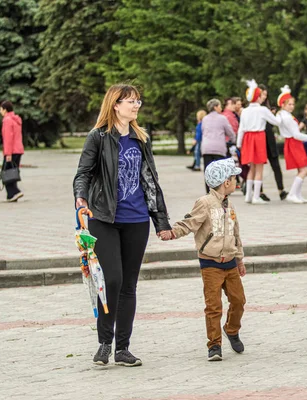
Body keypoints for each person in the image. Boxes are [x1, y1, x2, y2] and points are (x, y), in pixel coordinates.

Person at [73, 84, 172, 367]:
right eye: (130, 101)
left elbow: (150, 181)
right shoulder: (98, 137)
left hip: (137, 220)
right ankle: (105, 342)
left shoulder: (141, 138)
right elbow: (83, 173)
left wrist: (160, 221)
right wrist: (81, 199)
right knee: (112, 280)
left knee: (129, 285)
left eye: (138, 100)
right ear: (115, 104)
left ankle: (123, 348)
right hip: (103, 218)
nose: (136, 105)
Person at [160, 159, 246, 362]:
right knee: (213, 306)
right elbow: (189, 223)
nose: (236, 181)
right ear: (226, 182)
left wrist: (240, 259)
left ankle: (231, 329)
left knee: (239, 300)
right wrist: (172, 233)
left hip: (231, 262)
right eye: (234, 178)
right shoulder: (205, 203)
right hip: (211, 264)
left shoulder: (230, 204)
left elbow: (236, 233)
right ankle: (214, 345)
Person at [236, 79, 281, 205]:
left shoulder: (244, 111)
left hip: (247, 139)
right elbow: (276, 122)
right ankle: (256, 196)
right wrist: (278, 115)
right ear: (257, 96)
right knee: (259, 169)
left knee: (252, 168)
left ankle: (248, 196)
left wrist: (239, 144)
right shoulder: (262, 110)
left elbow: (241, 129)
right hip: (259, 138)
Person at [276, 86, 307, 204]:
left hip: (292, 143)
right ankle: (293, 194)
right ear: (283, 104)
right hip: (294, 143)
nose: (292, 106)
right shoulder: (287, 117)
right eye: (289, 104)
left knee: (301, 170)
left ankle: (297, 195)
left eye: (293, 104)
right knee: (304, 171)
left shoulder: (284, 115)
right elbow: (296, 134)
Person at [201, 99, 235, 193]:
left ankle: (209, 191)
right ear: (215, 107)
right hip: (219, 148)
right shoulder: (222, 118)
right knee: (220, 171)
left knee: (208, 171)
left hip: (206, 148)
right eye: (219, 106)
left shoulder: (205, 118)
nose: (221, 108)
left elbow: (203, 130)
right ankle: (220, 191)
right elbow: (230, 132)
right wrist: (233, 140)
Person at [260, 96, 288, 202]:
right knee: (259, 168)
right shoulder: (259, 109)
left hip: (269, 139)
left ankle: (281, 190)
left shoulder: (265, 107)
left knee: (276, 166)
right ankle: (260, 191)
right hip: (262, 139)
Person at [0, 101, 24, 202]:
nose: (0, 111)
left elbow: (8, 138)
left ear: (5, 109)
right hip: (18, 149)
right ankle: (11, 195)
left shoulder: (7, 120)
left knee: (6, 172)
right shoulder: (16, 119)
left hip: (11, 150)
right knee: (13, 171)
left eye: (1, 109)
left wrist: (8, 153)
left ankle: (14, 191)